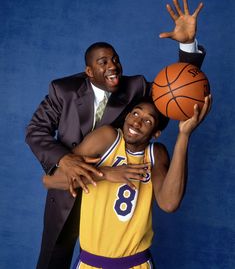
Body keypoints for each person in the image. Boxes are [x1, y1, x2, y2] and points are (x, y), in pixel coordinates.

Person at [25, 0, 206, 269]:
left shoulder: (134, 89)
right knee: (53, 260)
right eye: (103, 62)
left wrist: (187, 46)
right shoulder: (63, 90)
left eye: (115, 59)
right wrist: (65, 160)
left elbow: (177, 91)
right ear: (89, 71)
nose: (112, 66)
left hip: (117, 197)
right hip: (70, 185)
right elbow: (35, 132)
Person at [43, 96, 211, 269]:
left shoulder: (155, 154)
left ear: (156, 133)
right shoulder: (108, 138)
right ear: (127, 116)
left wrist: (184, 135)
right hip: (91, 262)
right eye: (135, 114)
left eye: (147, 120)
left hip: (136, 263)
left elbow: (169, 203)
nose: (136, 123)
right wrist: (105, 173)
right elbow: (51, 180)